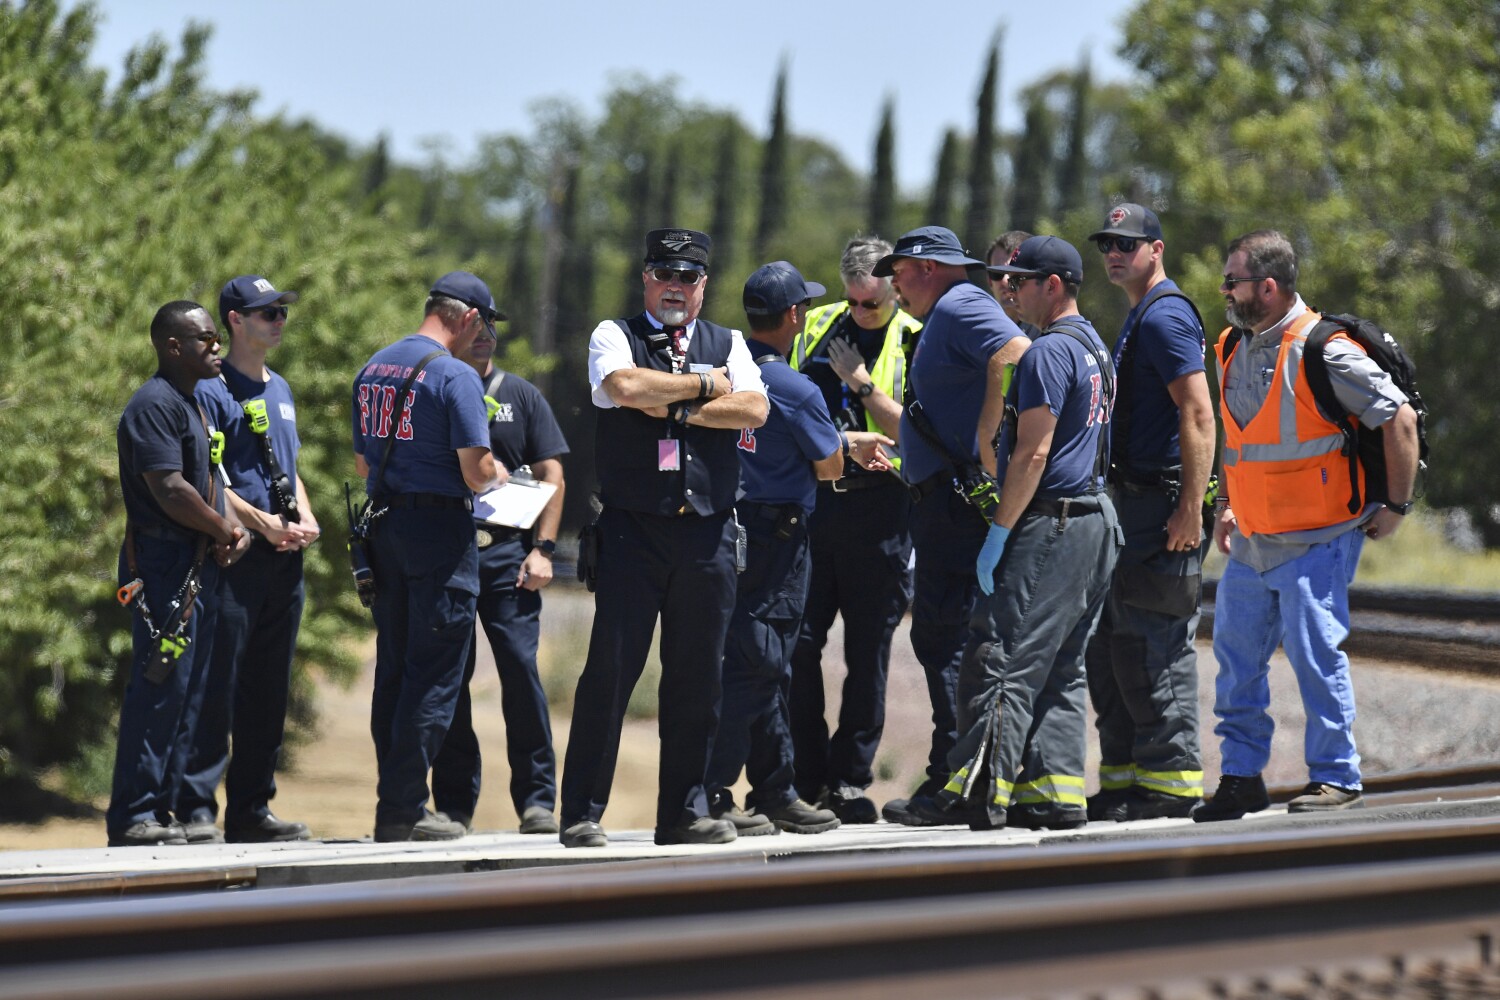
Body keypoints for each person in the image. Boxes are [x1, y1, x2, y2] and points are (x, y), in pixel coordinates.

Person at [1195, 230, 1420, 822]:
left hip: (1317, 538)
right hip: (1251, 541)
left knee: (1316, 656)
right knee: (1236, 665)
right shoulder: (1228, 346)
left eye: (1232, 280)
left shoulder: (1326, 350)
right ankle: (1241, 779)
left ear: (1267, 288)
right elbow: (1241, 439)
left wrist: (1395, 507)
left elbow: (1400, 418)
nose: (1224, 289)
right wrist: (1226, 505)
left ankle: (1336, 777)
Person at [562, 228, 769, 848]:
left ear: (704, 285)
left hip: (706, 534)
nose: (675, 287)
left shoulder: (728, 340)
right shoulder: (613, 335)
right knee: (610, 673)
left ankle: (683, 812)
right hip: (633, 531)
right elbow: (623, 389)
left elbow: (755, 409)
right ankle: (581, 812)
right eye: (664, 275)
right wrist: (707, 388)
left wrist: (670, 403)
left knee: (698, 679)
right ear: (646, 279)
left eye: (688, 277)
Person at [933, 235, 1120, 831]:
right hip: (1096, 520)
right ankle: (1055, 794)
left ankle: (980, 792)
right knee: (1062, 664)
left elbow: (1032, 454)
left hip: (1056, 521)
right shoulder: (1095, 346)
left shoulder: (1046, 353)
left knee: (1003, 657)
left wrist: (999, 531)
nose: (1009, 291)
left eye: (1021, 281)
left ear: (1054, 285)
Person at [706, 261, 893, 838]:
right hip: (778, 540)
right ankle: (713, 787)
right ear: (794, 316)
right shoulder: (794, 386)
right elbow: (828, 467)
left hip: (726, 533)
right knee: (764, 661)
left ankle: (775, 788)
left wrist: (839, 439)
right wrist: (843, 446)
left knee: (763, 663)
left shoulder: (721, 377)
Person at [872, 226, 1031, 827]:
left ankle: (955, 779)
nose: (893, 282)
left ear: (931, 268)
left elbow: (1018, 357)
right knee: (946, 641)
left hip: (958, 506)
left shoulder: (963, 304)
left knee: (948, 643)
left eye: (901, 270)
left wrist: (991, 443)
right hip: (946, 505)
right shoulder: (953, 310)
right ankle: (961, 773)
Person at [352, 271, 507, 842]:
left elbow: (365, 466)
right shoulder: (455, 377)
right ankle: (403, 807)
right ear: (468, 317)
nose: (484, 336)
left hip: (384, 526)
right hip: (439, 531)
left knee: (391, 667)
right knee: (435, 673)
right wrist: (498, 476)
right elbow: (476, 470)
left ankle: (391, 800)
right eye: (485, 324)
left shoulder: (373, 368)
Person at [1082, 204, 1217, 822]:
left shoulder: (1164, 318)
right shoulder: (1142, 315)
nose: (1115, 252)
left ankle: (1172, 781)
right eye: (1108, 242)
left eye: (1127, 243)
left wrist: (1191, 506)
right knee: (1118, 644)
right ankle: (1130, 777)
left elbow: (1197, 413)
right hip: (1135, 504)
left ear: (1156, 249)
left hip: (1161, 505)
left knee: (1155, 644)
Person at [174, 276, 317, 845]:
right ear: (234, 320)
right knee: (217, 684)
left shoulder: (279, 387)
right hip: (234, 559)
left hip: (284, 563)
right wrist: (263, 524)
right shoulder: (211, 390)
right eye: (267, 313)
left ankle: (252, 809)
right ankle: (195, 807)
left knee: (268, 687)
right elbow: (208, 479)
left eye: (282, 311)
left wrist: (302, 517)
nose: (279, 320)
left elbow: (289, 467)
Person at [785, 236, 920, 824]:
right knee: (798, 646)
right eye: (853, 302)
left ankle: (848, 779)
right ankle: (803, 775)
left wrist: (862, 382)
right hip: (816, 508)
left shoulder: (915, 337)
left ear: (894, 287)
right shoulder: (813, 326)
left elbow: (918, 431)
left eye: (871, 303)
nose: (859, 313)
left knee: (868, 654)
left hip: (882, 512)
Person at [109, 300, 251, 847]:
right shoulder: (153, 405)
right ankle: (132, 815)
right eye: (207, 339)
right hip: (163, 566)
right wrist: (221, 529)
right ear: (173, 346)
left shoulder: (194, 404)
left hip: (195, 568)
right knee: (160, 688)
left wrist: (229, 532)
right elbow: (169, 489)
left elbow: (209, 481)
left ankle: (164, 810)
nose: (217, 348)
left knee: (190, 694)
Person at [431, 325, 569, 836]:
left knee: (519, 671)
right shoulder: (437, 387)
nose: (487, 336)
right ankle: (452, 805)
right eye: (476, 327)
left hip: (509, 554)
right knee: (450, 678)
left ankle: (537, 802)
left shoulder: (520, 394)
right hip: (449, 551)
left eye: (494, 327)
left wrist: (543, 549)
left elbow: (553, 473)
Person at [985, 230, 1041, 338]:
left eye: (1016, 273)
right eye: (997, 273)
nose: (1006, 280)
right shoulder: (982, 333)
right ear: (990, 281)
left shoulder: (1052, 337)